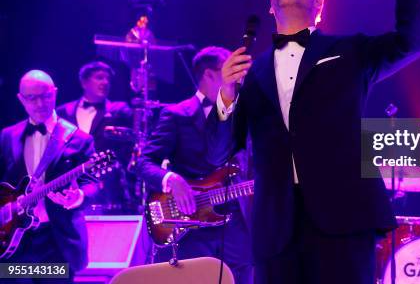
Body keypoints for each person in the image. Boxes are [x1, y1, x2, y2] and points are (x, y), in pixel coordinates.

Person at [211, 0, 420, 283]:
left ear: (319, 2)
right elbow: (218, 151)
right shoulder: (252, 70)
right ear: (270, 4)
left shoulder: (350, 51)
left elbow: (413, 41)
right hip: (275, 228)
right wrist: (226, 96)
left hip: (343, 218)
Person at [137, 46, 253, 284]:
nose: (237, 75)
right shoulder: (177, 114)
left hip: (235, 223)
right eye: (228, 69)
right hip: (192, 224)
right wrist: (172, 180)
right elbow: (144, 162)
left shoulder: (244, 114)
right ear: (209, 74)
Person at [0, 70, 97, 282]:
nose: (40, 103)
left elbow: (92, 184)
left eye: (45, 96)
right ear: (20, 99)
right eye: (31, 98)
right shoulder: (8, 136)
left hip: (56, 242)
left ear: (55, 93)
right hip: (13, 243)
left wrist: (78, 197)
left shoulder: (79, 139)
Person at [57, 61, 133, 213]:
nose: (105, 82)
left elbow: (132, 141)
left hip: (106, 184)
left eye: (108, 79)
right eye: (99, 78)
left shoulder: (119, 110)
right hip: (67, 184)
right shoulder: (63, 112)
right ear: (84, 82)